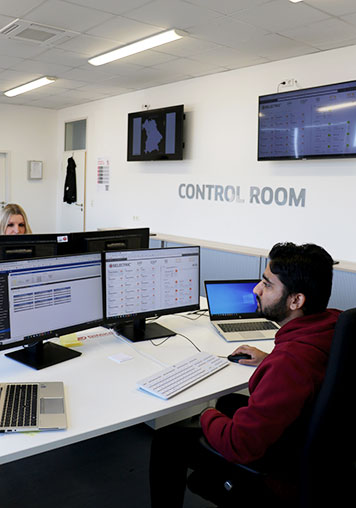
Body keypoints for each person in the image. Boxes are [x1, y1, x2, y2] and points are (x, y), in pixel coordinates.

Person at [149, 242, 341, 507]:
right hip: (318, 453)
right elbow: (312, 371)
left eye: (267, 284)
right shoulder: (335, 327)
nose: (256, 289)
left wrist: (204, 414)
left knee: (169, 439)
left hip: (279, 477)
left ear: (296, 300)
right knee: (228, 403)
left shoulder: (291, 362)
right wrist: (270, 359)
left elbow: (238, 444)